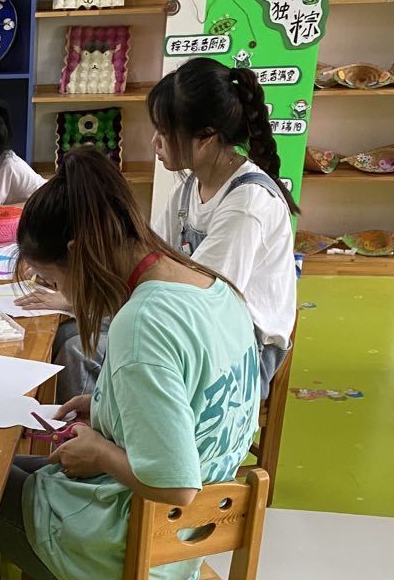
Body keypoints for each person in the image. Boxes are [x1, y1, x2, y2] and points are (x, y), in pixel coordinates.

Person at [0, 149, 259, 580]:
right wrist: (103, 406)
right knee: (9, 467)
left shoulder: (143, 322)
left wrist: (100, 451)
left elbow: (175, 484)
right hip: (187, 540)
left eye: (54, 281)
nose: (61, 295)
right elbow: (191, 406)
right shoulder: (211, 288)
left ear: (77, 254)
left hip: (134, 553)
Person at [51, 58, 298, 401]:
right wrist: (80, 298)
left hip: (239, 350)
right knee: (66, 334)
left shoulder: (247, 205)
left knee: (80, 351)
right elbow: (149, 261)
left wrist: (90, 302)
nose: (155, 142)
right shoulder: (189, 186)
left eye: (165, 132)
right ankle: (103, 423)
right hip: (189, 320)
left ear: (206, 137)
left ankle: (108, 432)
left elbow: (201, 305)